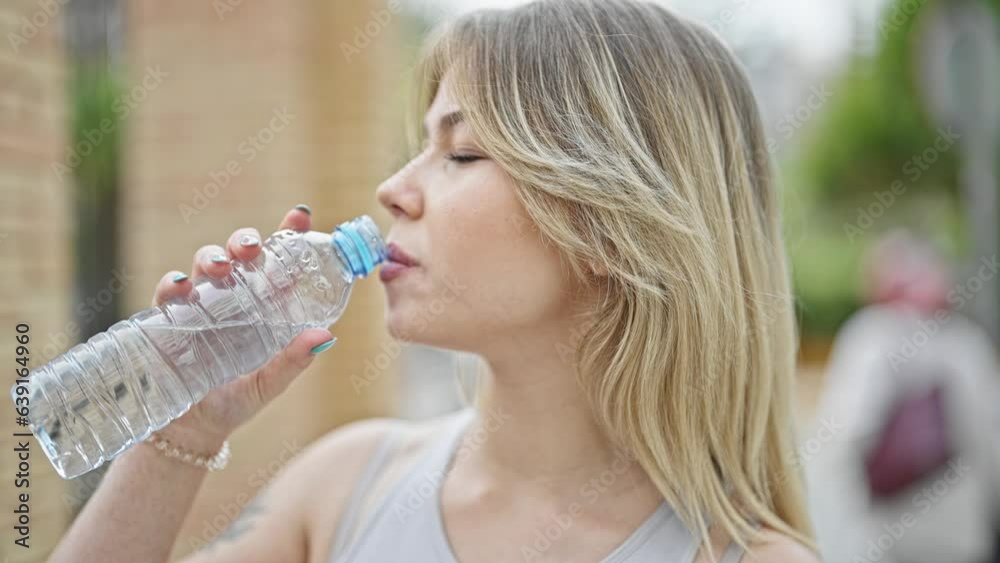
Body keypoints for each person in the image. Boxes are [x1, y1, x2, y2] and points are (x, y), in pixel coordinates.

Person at [49, 1, 822, 561]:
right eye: (421, 146)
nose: (394, 189)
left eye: (461, 154)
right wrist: (177, 426)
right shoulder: (346, 486)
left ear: (607, 226)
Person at [807, 231, 1000, 563]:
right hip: (961, 536)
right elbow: (991, 441)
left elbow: (847, 432)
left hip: (889, 535)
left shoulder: (872, 336)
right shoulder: (967, 342)